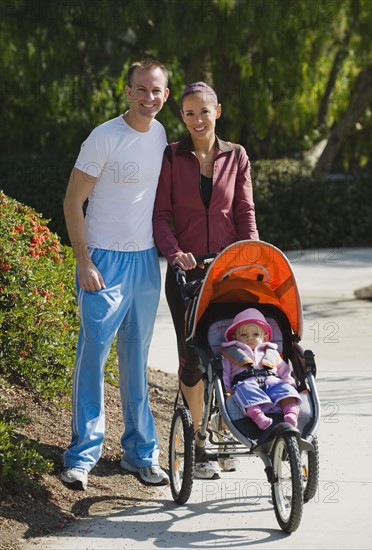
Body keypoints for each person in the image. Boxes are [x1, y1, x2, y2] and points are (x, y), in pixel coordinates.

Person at [61, 59, 170, 490]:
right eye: (141, 90)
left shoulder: (161, 134)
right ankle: (81, 456)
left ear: (165, 94)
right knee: (93, 357)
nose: (149, 98)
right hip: (102, 262)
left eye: (156, 91)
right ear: (127, 91)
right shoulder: (103, 138)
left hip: (145, 261)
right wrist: (83, 260)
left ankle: (140, 454)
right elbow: (72, 202)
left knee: (136, 360)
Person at [152, 81, 259, 478]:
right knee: (194, 358)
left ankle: (225, 427)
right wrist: (174, 252)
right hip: (186, 276)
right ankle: (198, 440)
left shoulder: (237, 156)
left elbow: (245, 211)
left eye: (204, 111)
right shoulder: (171, 156)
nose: (198, 119)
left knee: (233, 352)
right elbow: (160, 214)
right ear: (182, 116)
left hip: (229, 273)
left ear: (218, 112)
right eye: (189, 113)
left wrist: (252, 253)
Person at [221, 308, 301, 429]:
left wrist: (290, 383)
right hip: (246, 383)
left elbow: (284, 371)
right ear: (234, 337)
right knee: (244, 391)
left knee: (287, 391)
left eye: (255, 334)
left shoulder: (271, 353)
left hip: (273, 382)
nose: (250, 338)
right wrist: (226, 389)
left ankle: (291, 414)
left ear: (264, 337)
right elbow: (224, 373)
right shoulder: (231, 354)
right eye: (243, 335)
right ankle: (258, 416)